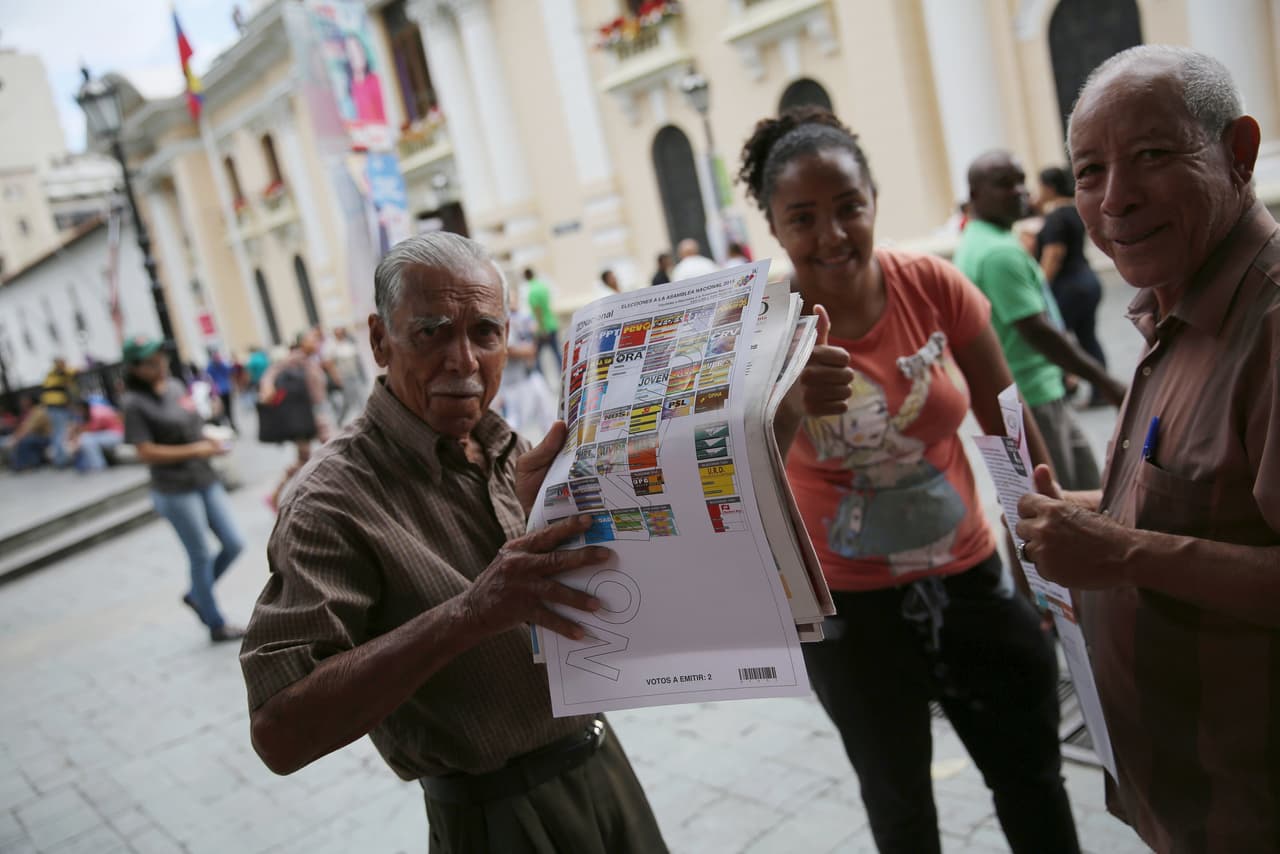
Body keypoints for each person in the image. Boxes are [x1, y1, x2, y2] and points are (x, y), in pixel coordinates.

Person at [239, 232, 666, 853]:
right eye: (431, 332)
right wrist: (469, 614)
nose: (463, 360)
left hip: (604, 773)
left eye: (485, 333)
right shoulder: (331, 503)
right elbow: (280, 733)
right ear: (380, 340)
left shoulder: (512, 452)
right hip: (495, 821)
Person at [739, 106, 1079, 854]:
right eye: (802, 218)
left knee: (1032, 780)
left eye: (848, 208)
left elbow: (1006, 426)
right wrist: (788, 404)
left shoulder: (932, 284)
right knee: (900, 810)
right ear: (772, 224)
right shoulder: (760, 328)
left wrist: (1045, 552)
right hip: (848, 615)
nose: (831, 235)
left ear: (873, 201)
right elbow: (732, 487)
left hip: (970, 581)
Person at [1017, 46, 1280, 851]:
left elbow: (1147, 545)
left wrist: (1126, 554)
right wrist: (1072, 518)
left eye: (1153, 156)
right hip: (1187, 800)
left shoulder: (1269, 326)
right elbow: (1201, 505)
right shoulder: (1176, 306)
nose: (1116, 199)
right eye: (1089, 171)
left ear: (1239, 154)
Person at [954, 150, 1127, 490]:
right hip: (1031, 398)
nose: (1020, 191)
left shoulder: (983, 240)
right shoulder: (997, 253)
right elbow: (1034, 329)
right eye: (1005, 184)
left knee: (1081, 494)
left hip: (1034, 392)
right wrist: (1105, 382)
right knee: (1045, 502)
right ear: (975, 194)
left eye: (1022, 182)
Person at [120, 335, 246, 642]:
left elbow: (191, 426)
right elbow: (145, 451)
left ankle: (197, 594)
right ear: (135, 368)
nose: (158, 366)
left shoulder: (175, 386)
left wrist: (209, 438)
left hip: (203, 477)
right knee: (200, 554)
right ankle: (216, 622)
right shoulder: (134, 404)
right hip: (174, 488)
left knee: (234, 543)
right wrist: (196, 450)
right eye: (150, 363)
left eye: (160, 358)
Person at [1035, 166, 1109, 407]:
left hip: (1069, 287)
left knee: (1053, 340)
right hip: (1088, 281)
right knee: (1087, 336)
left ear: (1049, 187)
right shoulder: (1074, 209)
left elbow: (1054, 253)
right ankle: (1101, 390)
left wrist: (1040, 284)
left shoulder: (1056, 216)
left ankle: (1067, 386)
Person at [260, 330, 332, 512]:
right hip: (307, 415)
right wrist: (267, 388)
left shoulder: (312, 359)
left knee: (304, 458)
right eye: (311, 339)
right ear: (301, 343)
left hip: (313, 412)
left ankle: (276, 494)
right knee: (332, 446)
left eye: (316, 339)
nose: (315, 342)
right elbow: (271, 372)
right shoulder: (297, 357)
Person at [67, 398, 124, 472]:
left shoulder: (96, 414)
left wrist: (75, 440)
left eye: (77, 410)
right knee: (85, 439)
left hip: (117, 435)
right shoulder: (89, 413)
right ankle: (93, 465)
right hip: (107, 435)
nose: (76, 412)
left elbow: (86, 431)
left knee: (86, 439)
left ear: (82, 408)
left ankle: (98, 466)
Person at [40, 356, 77, 468]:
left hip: (52, 407)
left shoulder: (51, 374)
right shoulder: (59, 373)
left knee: (56, 433)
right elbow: (72, 372)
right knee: (60, 433)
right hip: (57, 407)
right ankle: (61, 460)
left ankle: (58, 459)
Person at [523, 266, 561, 375]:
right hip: (552, 324)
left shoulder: (532, 291)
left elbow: (538, 310)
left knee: (537, 357)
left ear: (526, 277)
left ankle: (539, 379)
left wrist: (542, 328)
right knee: (557, 353)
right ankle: (564, 375)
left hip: (542, 328)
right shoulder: (543, 287)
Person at [344, 32, 385, 125]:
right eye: (352, 52)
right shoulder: (352, 87)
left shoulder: (376, 80)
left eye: (358, 49)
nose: (357, 55)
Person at [329, 326, 368, 425]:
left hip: (355, 375)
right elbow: (331, 364)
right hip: (345, 377)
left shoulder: (350, 343)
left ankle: (364, 419)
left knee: (361, 397)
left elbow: (358, 361)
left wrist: (363, 375)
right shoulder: (333, 346)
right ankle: (341, 421)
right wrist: (337, 377)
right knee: (349, 401)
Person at [4, 396, 52, 472]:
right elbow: (23, 427)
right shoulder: (30, 412)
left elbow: (29, 429)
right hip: (35, 436)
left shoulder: (38, 411)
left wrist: (16, 439)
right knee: (22, 440)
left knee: (25, 441)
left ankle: (24, 465)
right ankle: (20, 464)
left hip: (45, 437)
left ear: (29, 401)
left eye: (24, 401)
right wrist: (15, 437)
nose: (21, 404)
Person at [206, 350, 237, 433]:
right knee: (228, 409)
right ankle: (231, 425)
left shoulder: (211, 366)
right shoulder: (221, 364)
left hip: (219, 390)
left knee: (222, 410)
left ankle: (227, 426)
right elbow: (231, 371)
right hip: (225, 389)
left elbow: (208, 377)